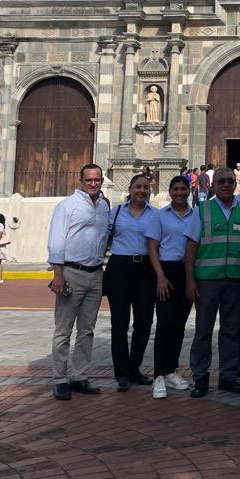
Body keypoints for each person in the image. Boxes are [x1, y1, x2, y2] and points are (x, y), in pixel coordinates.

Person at [184, 166, 240, 397]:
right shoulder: (201, 210)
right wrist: (190, 280)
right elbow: (191, 247)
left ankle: (228, 375)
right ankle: (200, 377)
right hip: (207, 280)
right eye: (221, 181)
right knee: (203, 330)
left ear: (236, 185)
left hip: (234, 280)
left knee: (231, 330)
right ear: (212, 185)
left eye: (230, 181)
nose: (225, 184)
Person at [47, 163, 111, 400]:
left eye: (97, 180)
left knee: (87, 329)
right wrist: (58, 274)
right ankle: (59, 378)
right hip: (71, 272)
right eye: (89, 180)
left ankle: (79, 374)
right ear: (80, 181)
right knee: (63, 329)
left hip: (96, 273)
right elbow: (56, 241)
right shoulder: (67, 206)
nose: (94, 184)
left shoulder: (104, 206)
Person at [103, 174, 158, 391]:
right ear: (130, 188)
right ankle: (121, 373)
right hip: (120, 267)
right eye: (138, 187)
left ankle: (134, 367)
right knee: (120, 322)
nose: (141, 191)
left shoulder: (156, 215)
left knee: (144, 322)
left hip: (145, 268)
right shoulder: (116, 212)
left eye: (145, 187)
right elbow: (103, 238)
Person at [146, 175, 196, 399]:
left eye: (183, 189)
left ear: (189, 190)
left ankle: (171, 371)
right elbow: (153, 248)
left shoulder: (196, 215)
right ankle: (158, 374)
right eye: (175, 189)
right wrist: (160, 278)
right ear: (170, 191)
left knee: (179, 325)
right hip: (166, 271)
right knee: (164, 323)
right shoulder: (160, 216)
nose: (179, 193)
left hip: (187, 272)